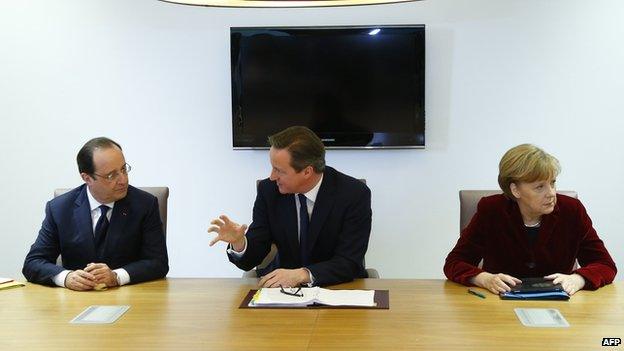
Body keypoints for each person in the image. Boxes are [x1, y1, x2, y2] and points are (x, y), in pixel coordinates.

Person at [208, 126, 372, 287]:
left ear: (307, 172)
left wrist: (303, 274)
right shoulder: (268, 191)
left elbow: (349, 261)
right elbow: (253, 255)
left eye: (279, 170)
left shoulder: (354, 194)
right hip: (283, 290)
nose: (272, 177)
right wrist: (239, 243)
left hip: (339, 287)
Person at [444, 144, 616, 296]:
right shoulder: (491, 210)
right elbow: (454, 263)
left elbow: (605, 265)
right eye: (540, 187)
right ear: (515, 190)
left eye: (553, 183)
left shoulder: (572, 210)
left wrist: (578, 279)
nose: (551, 193)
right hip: (499, 306)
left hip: (560, 306)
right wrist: (484, 279)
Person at [23, 137, 169, 290]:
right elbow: (33, 262)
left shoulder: (145, 204)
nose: (123, 180)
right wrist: (66, 277)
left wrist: (117, 276)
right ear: (87, 178)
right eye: (111, 175)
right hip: (75, 301)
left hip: (130, 298)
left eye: (124, 169)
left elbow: (158, 262)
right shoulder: (60, 209)